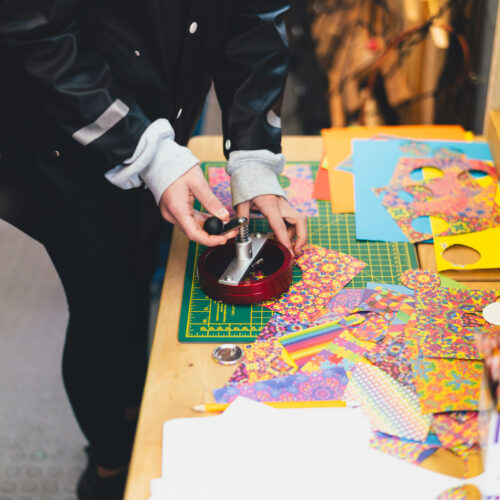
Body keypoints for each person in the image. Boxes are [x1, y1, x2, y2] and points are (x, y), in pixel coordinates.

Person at [0, 0, 307, 498]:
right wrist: (144, 149)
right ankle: (109, 464)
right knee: (100, 301)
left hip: (164, 104)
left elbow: (255, 20)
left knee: (143, 268)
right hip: (70, 123)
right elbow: (32, 34)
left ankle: (132, 406)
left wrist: (252, 154)